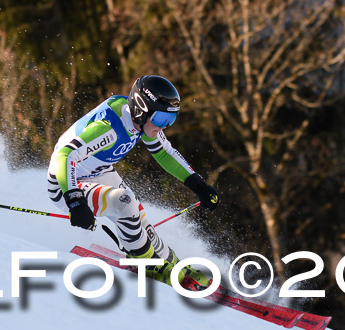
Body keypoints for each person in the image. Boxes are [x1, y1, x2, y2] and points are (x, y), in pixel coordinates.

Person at [46, 75, 219, 285]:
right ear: (140, 110)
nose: (164, 127)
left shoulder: (140, 122)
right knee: (125, 202)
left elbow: (165, 153)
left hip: (97, 172)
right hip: (65, 182)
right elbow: (63, 156)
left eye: (170, 120)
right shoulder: (109, 128)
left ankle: (172, 264)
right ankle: (148, 266)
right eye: (161, 120)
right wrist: (75, 200)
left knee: (139, 216)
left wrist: (199, 186)